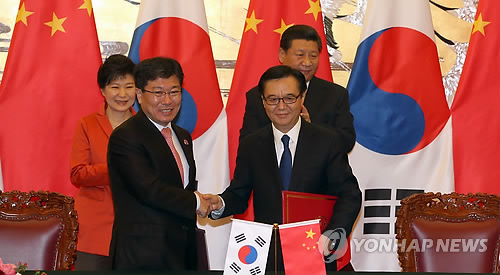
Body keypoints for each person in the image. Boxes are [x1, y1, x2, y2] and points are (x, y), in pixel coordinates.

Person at [203, 65, 361, 272]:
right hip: (267, 254)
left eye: (289, 98)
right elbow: (239, 194)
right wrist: (220, 203)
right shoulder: (252, 144)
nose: (281, 106)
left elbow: (349, 194)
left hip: (314, 248)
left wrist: (333, 235)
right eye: (273, 99)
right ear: (263, 101)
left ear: (302, 97)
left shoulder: (327, 141)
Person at [107, 57, 209, 270]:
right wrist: (196, 202)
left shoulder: (182, 136)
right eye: (158, 93)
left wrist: (203, 201)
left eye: (174, 91)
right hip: (143, 255)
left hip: (183, 253)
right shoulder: (126, 136)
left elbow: (183, 186)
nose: (167, 100)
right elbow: (149, 190)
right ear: (140, 94)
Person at [240, 24, 355, 153]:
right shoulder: (258, 94)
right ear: (282, 54)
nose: (307, 62)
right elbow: (247, 144)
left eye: (313, 56)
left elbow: (346, 142)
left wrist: (310, 129)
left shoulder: (335, 95)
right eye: (300, 55)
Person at [70, 54, 136, 270]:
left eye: (129, 86)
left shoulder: (146, 127)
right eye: (115, 87)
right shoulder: (87, 124)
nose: (123, 94)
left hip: (137, 228)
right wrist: (116, 170)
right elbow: (78, 173)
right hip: (94, 230)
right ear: (102, 90)